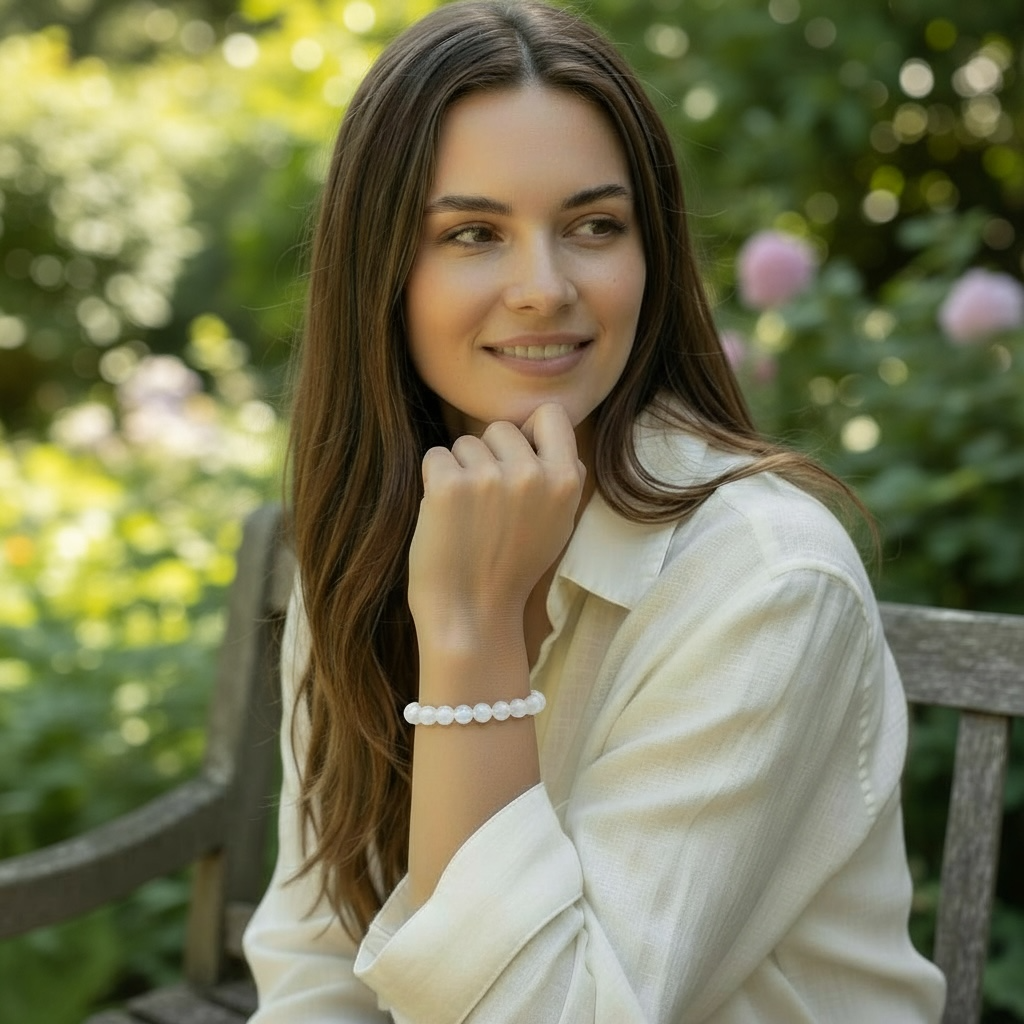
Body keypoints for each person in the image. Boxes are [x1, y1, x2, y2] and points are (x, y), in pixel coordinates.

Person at [242, 1, 947, 1020]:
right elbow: (315, 959)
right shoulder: (380, 528)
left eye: (592, 226)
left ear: (647, 254)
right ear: (379, 269)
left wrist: (470, 633)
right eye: (473, 233)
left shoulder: (765, 579)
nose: (544, 287)